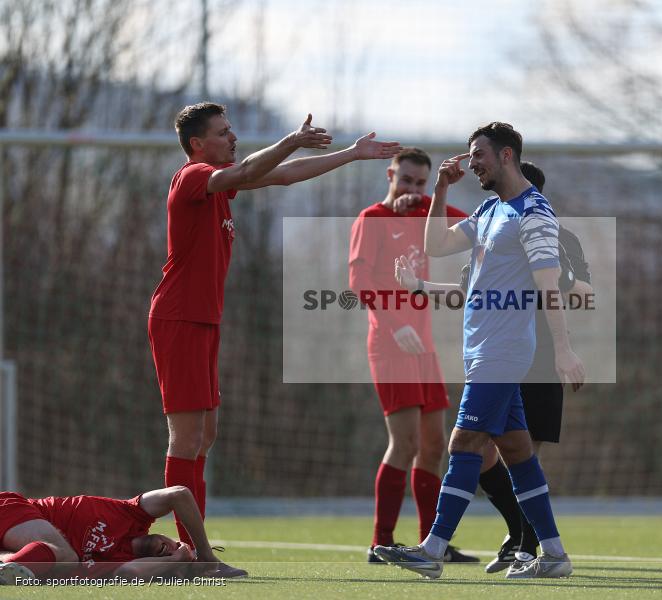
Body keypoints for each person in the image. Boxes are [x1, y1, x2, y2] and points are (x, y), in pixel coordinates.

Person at [147, 102, 400, 563]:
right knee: (184, 438)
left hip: (202, 321)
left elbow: (283, 175)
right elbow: (250, 166)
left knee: (205, 434)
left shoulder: (221, 188)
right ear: (197, 145)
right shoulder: (193, 177)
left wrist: (351, 153)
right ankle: (192, 553)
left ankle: (190, 544)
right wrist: (289, 140)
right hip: (178, 318)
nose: (232, 137)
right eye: (223, 133)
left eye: (231, 130)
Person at [375, 122, 585, 580]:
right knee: (517, 454)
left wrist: (564, 350)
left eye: (479, 156)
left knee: (463, 442)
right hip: (482, 350)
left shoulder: (534, 213)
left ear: (506, 155)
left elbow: (550, 288)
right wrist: (441, 187)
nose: (472, 164)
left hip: (504, 351)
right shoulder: (491, 208)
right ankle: (553, 555)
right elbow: (437, 244)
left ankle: (432, 550)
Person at [347, 147, 477, 564]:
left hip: (423, 346)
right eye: (406, 180)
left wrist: (433, 196)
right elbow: (359, 281)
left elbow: (471, 227)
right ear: (390, 175)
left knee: (434, 445)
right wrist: (393, 323)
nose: (412, 189)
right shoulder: (372, 219)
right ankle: (379, 542)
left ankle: (429, 543)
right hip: (390, 343)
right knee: (402, 444)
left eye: (420, 182)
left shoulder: (425, 213)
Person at [0, 485, 228, 583]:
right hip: (9, 508)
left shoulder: (120, 562)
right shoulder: (133, 516)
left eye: (171, 560)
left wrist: (177, 559)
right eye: (177, 545)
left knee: (50, 558)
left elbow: (130, 573)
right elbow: (179, 494)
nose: (172, 549)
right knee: (65, 556)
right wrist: (205, 555)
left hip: (13, 544)